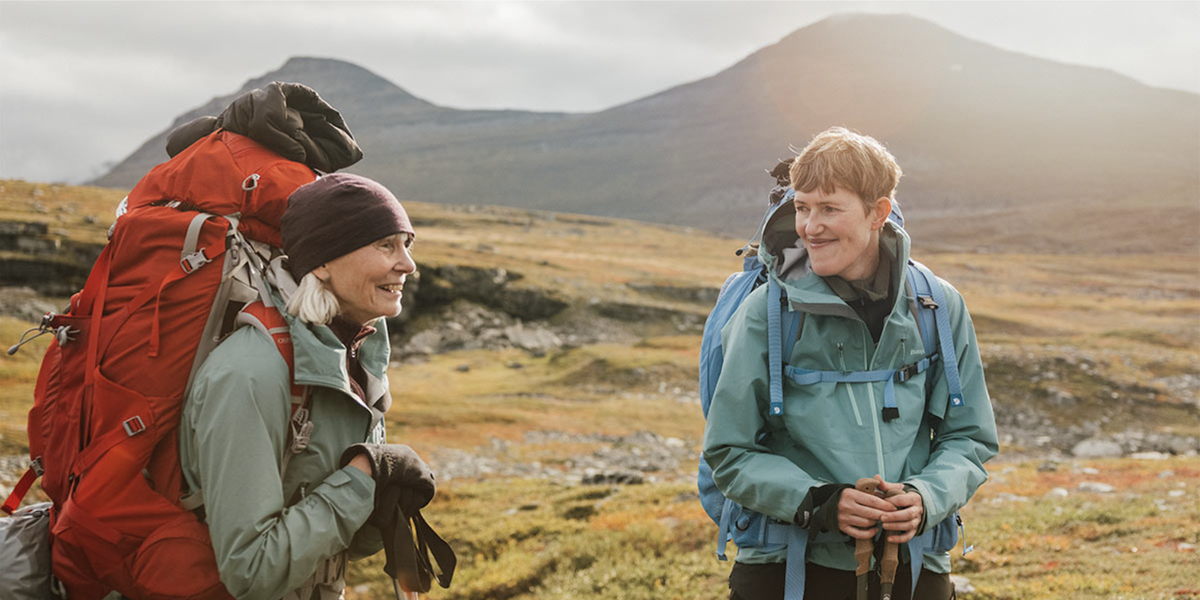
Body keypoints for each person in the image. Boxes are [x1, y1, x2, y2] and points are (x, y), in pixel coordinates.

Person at [702, 127, 998, 600]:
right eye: (802, 207)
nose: (808, 227)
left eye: (829, 208)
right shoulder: (766, 313)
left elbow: (970, 436)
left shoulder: (936, 306)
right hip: (789, 564)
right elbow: (728, 451)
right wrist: (818, 502)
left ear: (878, 212)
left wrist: (926, 497)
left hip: (913, 563)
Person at [179, 173, 435, 600]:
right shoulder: (250, 373)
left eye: (407, 244)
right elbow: (252, 570)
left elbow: (342, 545)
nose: (407, 264)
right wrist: (363, 476)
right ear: (321, 262)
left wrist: (384, 495)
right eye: (385, 245)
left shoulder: (355, 356)